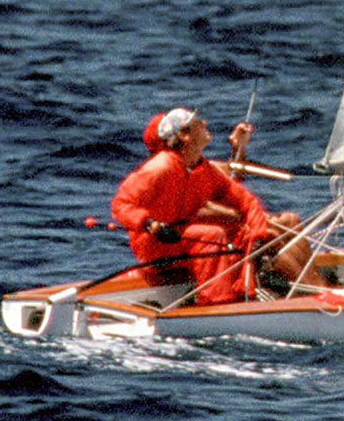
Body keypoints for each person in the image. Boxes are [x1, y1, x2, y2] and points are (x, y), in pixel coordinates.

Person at [111, 108, 318, 304]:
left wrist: (258, 231)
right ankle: (216, 302)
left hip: (183, 235)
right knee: (213, 234)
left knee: (271, 228)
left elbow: (243, 198)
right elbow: (122, 204)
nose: (204, 123)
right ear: (184, 135)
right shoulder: (159, 168)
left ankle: (310, 288)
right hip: (156, 243)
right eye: (197, 122)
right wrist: (150, 224)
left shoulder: (201, 168)